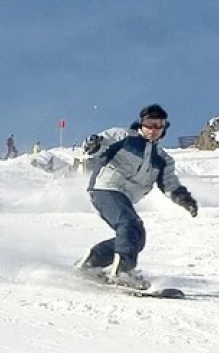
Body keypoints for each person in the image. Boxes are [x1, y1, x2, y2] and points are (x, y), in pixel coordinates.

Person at [77, 103, 198, 289]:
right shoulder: (124, 137)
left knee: (137, 238)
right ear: (141, 124)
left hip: (124, 197)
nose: (154, 129)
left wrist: (184, 199)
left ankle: (92, 262)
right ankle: (123, 270)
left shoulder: (162, 159)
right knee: (129, 224)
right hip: (105, 187)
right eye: (150, 124)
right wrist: (94, 144)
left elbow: (169, 183)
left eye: (159, 125)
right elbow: (99, 143)